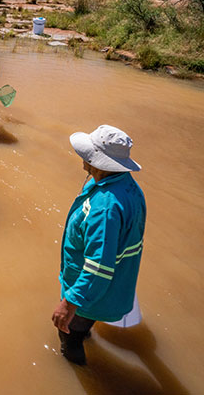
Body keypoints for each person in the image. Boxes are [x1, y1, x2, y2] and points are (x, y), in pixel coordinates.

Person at [52, 125, 146, 365]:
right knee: (82, 326)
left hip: (89, 289)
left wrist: (69, 303)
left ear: (98, 161)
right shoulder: (130, 187)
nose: (82, 159)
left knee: (69, 337)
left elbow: (98, 266)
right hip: (110, 287)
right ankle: (84, 331)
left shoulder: (105, 207)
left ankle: (79, 368)